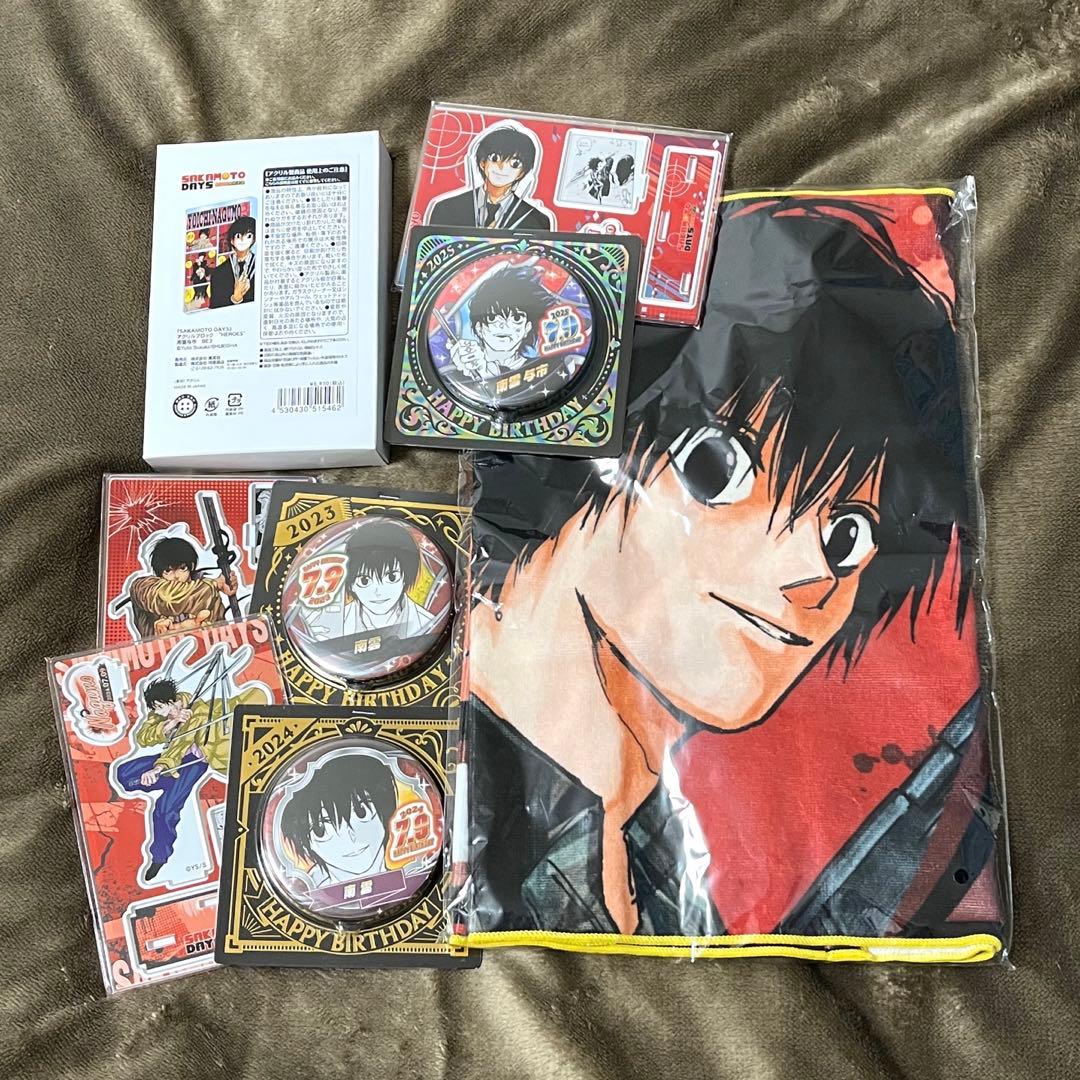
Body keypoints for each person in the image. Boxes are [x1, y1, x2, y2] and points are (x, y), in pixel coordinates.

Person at [461, 197, 991, 939]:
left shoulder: (662, 880)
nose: (813, 572)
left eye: (848, 536)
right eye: (721, 468)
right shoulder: (445, 788)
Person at [115, 674, 268, 881]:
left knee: (165, 808)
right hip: (175, 757)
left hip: (192, 763)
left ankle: (159, 857)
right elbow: (143, 737)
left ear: (170, 701)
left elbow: (180, 745)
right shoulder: (162, 713)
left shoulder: (198, 710)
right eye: (155, 709)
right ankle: (154, 779)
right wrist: (170, 723)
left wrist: (158, 769)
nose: (157, 712)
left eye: (159, 707)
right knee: (123, 773)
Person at [305, 521, 439, 642]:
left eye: (391, 578)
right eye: (364, 581)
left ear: (405, 578)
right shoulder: (332, 628)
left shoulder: (429, 624)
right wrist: (316, 641)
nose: (378, 591)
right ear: (351, 584)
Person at [280, 753, 397, 887]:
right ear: (305, 842)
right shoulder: (305, 892)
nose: (350, 836)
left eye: (361, 813)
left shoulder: (409, 875)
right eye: (320, 830)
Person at [427, 125, 554, 230]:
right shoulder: (446, 209)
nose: (502, 168)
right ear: (483, 163)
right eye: (495, 158)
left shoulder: (537, 221)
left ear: (522, 173)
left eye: (514, 164)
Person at [448, 266, 552, 380]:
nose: (504, 325)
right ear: (479, 328)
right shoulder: (462, 371)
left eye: (516, 318)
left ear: (527, 328)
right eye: (492, 317)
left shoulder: (542, 368)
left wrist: (486, 372)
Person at [127, 536, 237, 638]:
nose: (176, 576)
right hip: (160, 651)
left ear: (191, 566)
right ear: (159, 572)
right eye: (168, 570)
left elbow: (221, 633)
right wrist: (216, 584)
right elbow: (169, 598)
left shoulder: (209, 593)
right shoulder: (142, 587)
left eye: (182, 568)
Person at [209, 215, 256, 308]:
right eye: (238, 236)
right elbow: (214, 306)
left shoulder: (262, 267)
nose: (243, 240)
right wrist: (235, 298)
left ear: (253, 239)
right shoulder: (218, 273)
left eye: (248, 236)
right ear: (232, 240)